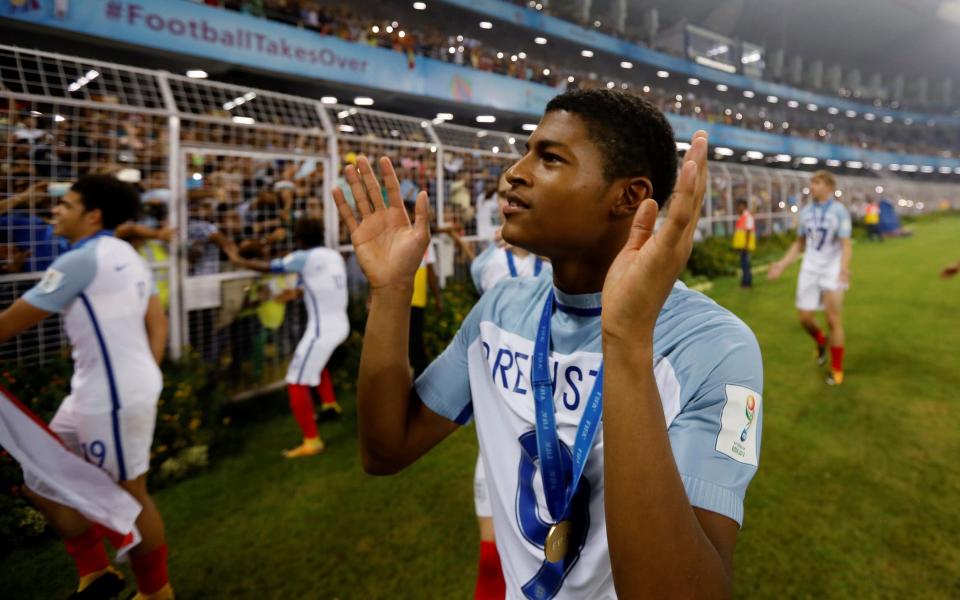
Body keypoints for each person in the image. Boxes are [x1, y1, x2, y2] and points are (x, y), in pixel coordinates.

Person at [334, 89, 763, 598]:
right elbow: (386, 449)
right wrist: (390, 291)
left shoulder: (713, 347)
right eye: (526, 150)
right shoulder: (499, 311)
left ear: (628, 196)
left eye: (550, 157)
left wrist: (625, 341)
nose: (514, 172)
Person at [0, 175, 173, 599]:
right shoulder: (126, 252)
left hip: (111, 397)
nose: (56, 210)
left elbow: (8, 325)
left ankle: (156, 593)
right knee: (41, 477)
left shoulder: (79, 261)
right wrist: (143, 376)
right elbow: (159, 322)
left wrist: (131, 385)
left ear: (92, 215)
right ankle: (97, 574)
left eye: (68, 204)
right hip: (100, 392)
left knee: (131, 496)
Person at [467, 176, 552, 599]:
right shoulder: (487, 266)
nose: (511, 202)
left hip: (555, 421)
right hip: (502, 421)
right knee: (491, 555)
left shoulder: (560, 266)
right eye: (503, 196)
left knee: (557, 557)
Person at [227, 218, 349, 458]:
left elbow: (269, 267)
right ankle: (329, 405)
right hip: (339, 323)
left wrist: (237, 260)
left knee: (295, 380)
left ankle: (311, 441)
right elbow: (319, 284)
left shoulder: (303, 257)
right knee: (317, 364)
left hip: (321, 330)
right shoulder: (332, 255)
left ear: (300, 239)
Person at [768, 170, 852, 385]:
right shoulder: (806, 212)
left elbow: (845, 244)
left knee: (833, 319)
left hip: (832, 269)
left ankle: (836, 369)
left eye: (817, 182)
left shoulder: (839, 212)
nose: (812, 186)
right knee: (805, 318)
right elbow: (799, 243)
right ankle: (820, 339)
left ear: (829, 187)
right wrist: (782, 265)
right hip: (810, 268)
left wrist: (843, 268)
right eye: (812, 183)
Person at [732, 200, 755, 288]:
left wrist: (746, 244)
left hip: (746, 246)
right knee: (744, 265)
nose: (738, 208)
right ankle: (745, 282)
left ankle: (747, 283)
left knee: (746, 265)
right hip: (742, 246)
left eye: (739, 206)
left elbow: (748, 231)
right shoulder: (742, 217)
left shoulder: (747, 216)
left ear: (744, 206)